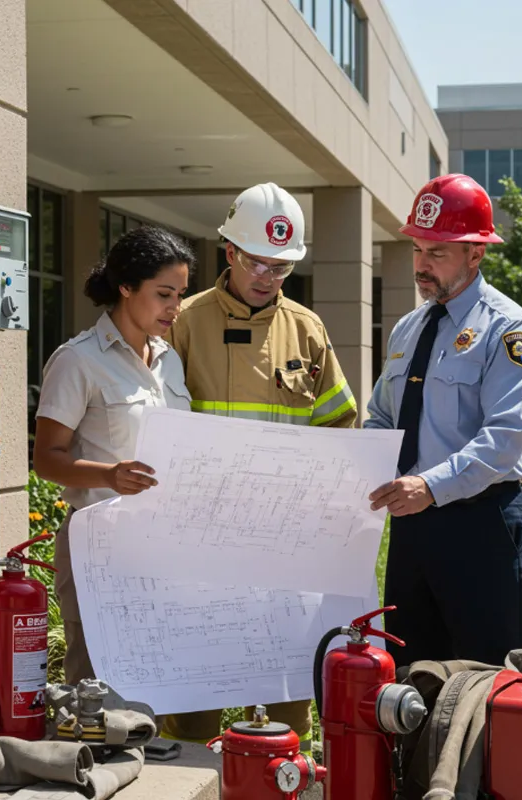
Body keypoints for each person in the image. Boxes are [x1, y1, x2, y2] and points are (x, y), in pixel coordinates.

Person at [161, 182, 358, 749]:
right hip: (201, 540)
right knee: (195, 698)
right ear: (229, 251)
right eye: (257, 262)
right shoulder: (185, 321)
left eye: (282, 266)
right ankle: (191, 780)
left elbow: (339, 426)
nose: (269, 277)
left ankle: (285, 779)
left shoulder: (308, 329)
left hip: (283, 543)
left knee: (286, 693)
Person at [364, 173, 522, 669]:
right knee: (412, 675)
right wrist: (369, 463)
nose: (422, 265)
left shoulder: (508, 329)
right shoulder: (408, 328)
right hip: (412, 525)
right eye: (417, 249)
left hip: (480, 524)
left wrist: (428, 485)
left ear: (475, 253)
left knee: (486, 677)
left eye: (438, 253)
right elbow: (382, 415)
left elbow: (504, 440)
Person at [32, 225, 195, 685]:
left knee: (155, 685)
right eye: (164, 294)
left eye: (180, 295)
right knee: (96, 687)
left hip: (161, 546)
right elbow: (46, 459)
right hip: (98, 547)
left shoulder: (169, 361)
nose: (175, 308)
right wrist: (110, 474)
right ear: (125, 286)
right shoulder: (78, 360)